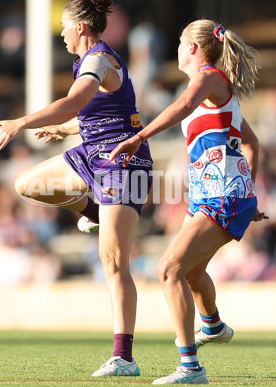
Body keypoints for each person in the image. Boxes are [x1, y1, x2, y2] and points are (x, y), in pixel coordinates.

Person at [0, 0, 152, 378]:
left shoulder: (98, 59)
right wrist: (64, 128)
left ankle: (124, 358)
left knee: (112, 262)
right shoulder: (88, 61)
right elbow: (102, 111)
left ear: (80, 27)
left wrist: (21, 122)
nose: (60, 34)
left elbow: (76, 101)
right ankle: (95, 213)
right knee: (28, 183)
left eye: (63, 28)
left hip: (121, 162)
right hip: (93, 153)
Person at [110, 19, 267, 384]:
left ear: (193, 48)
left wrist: (140, 136)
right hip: (212, 196)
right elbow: (251, 143)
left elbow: (182, 105)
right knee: (192, 273)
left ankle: (191, 368)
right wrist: (251, 190)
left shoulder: (209, 79)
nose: (178, 48)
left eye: (182, 42)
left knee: (168, 269)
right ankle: (211, 325)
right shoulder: (212, 92)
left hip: (223, 195)